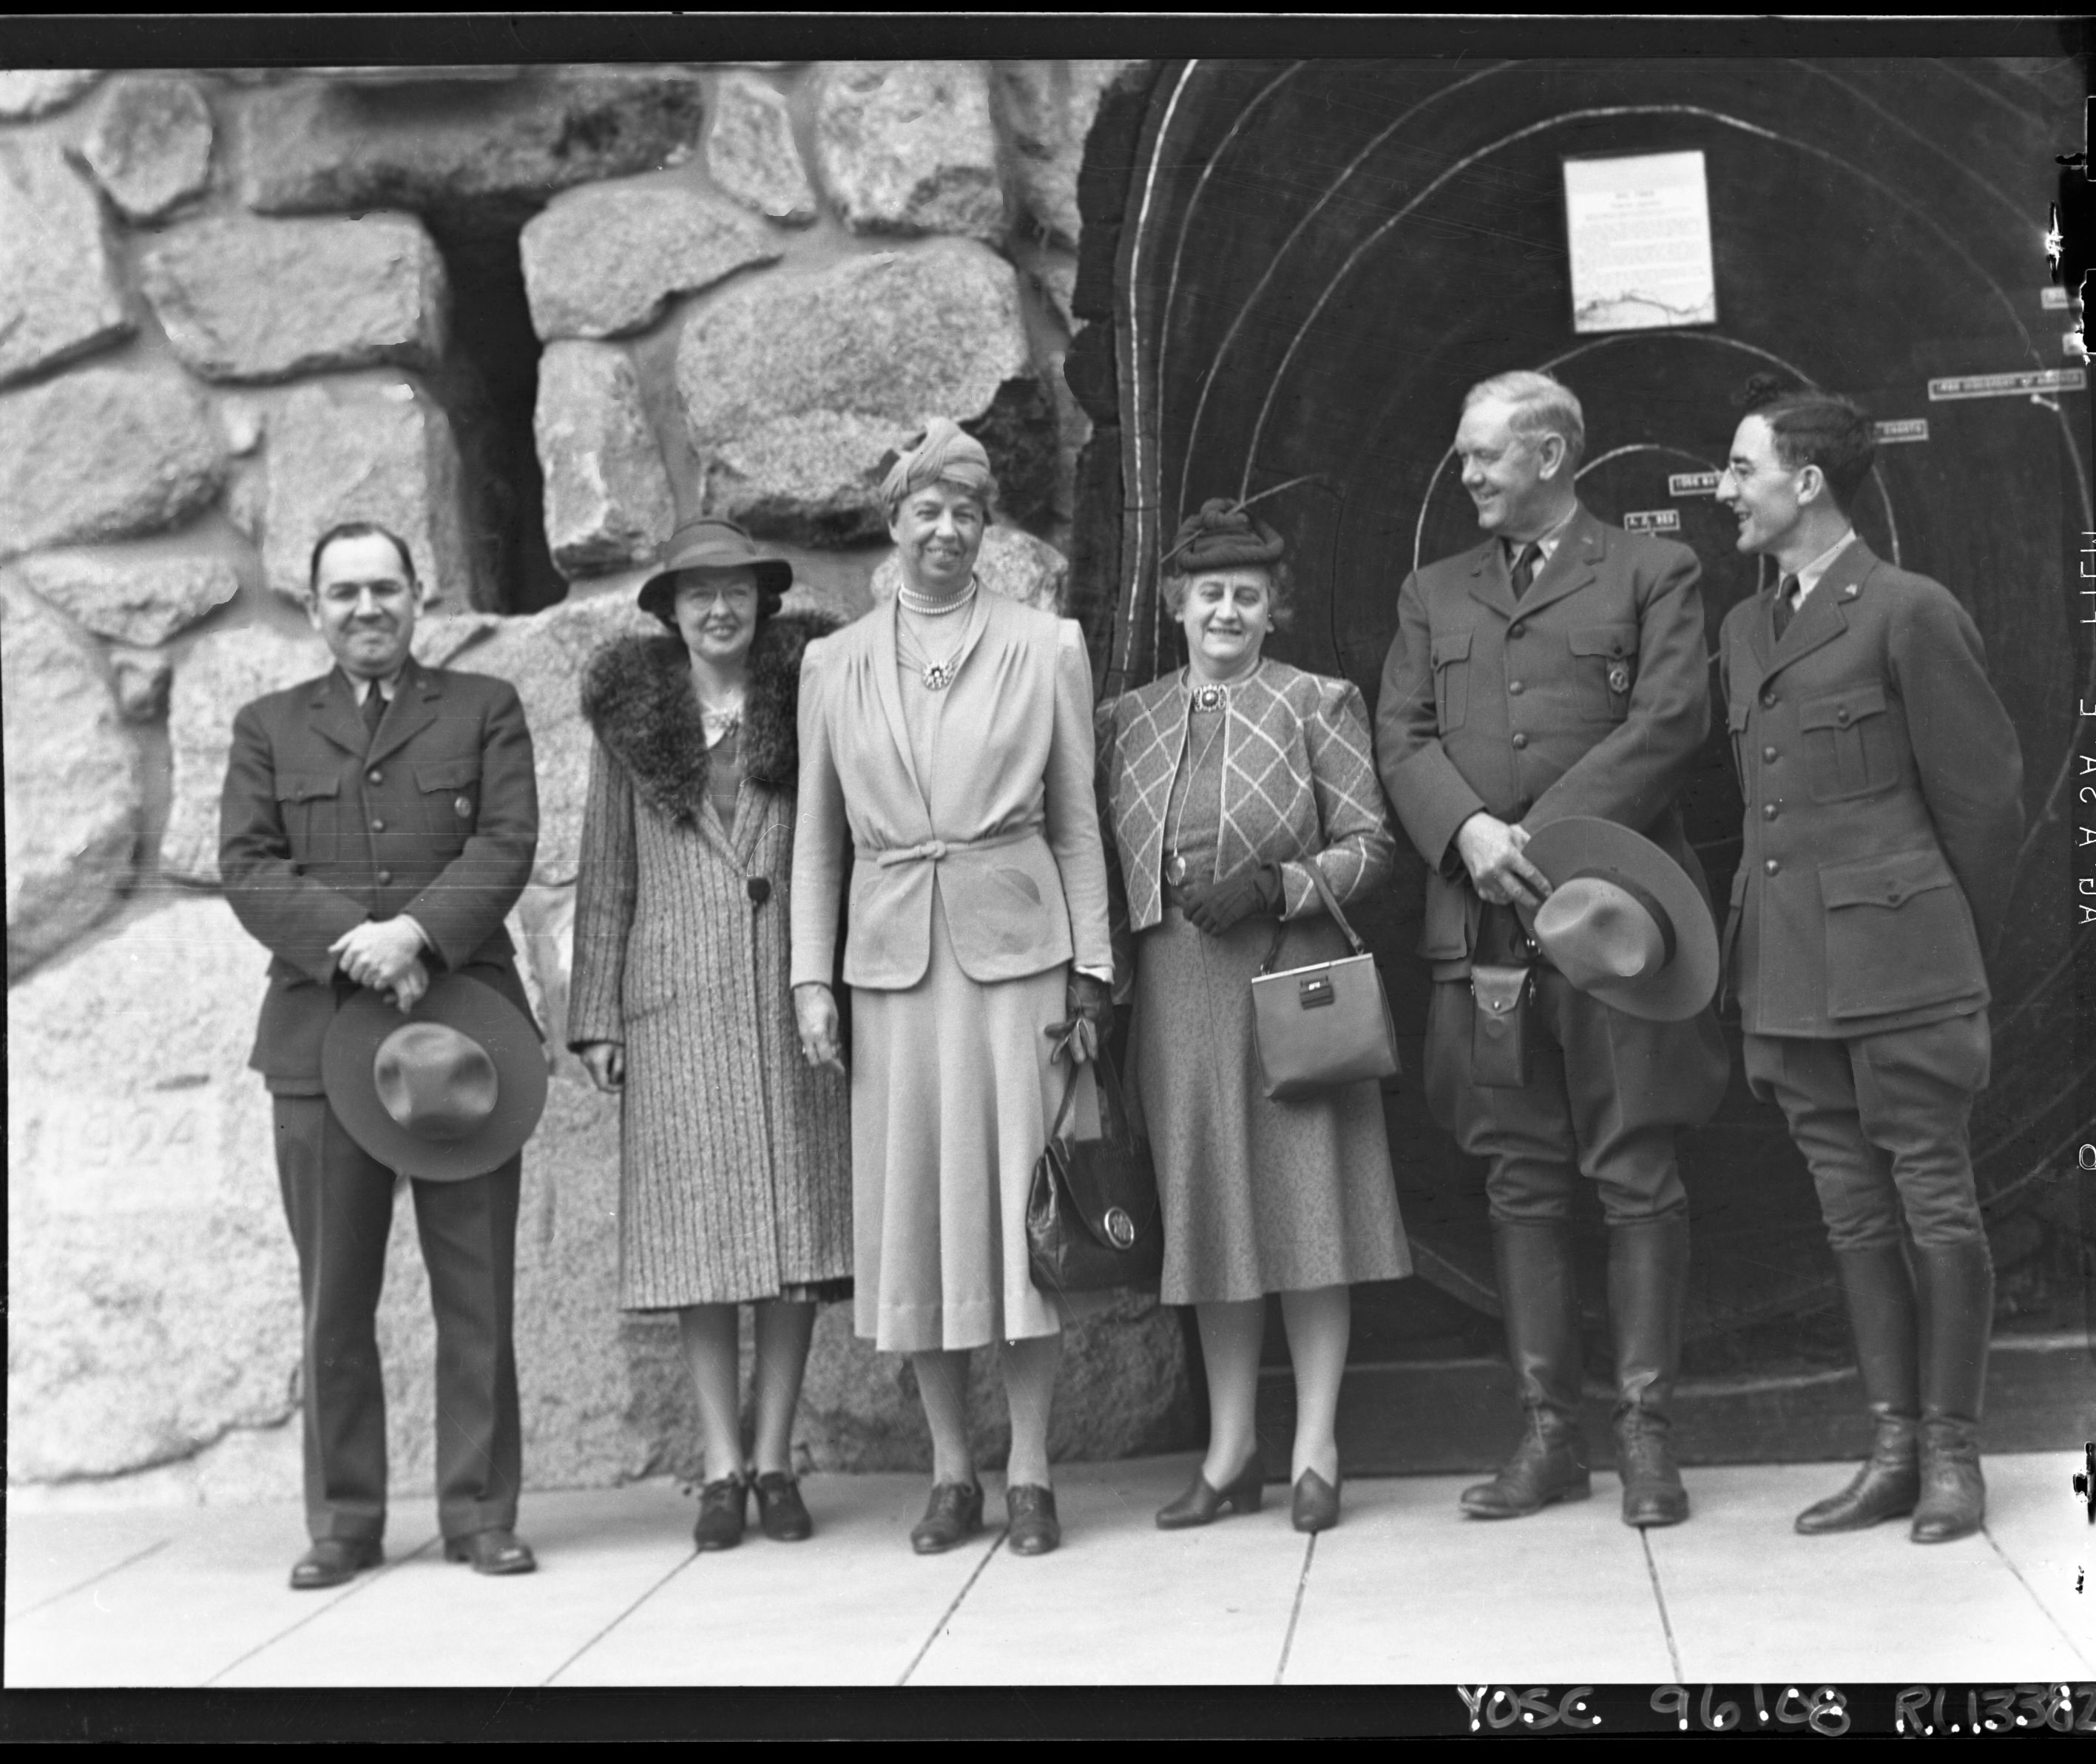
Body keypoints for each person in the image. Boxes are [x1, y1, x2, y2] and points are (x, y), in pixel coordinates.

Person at [1376, 370, 1730, 1529]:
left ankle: (1645, 1438)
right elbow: (1402, 733)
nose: (1466, 473)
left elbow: (1670, 719)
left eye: (1484, 454)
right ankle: (1546, 1435)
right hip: (1478, 929)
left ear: (1546, 455)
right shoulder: (1433, 592)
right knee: (1518, 1173)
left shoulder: (1650, 569)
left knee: (1636, 1168)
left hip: (1616, 922)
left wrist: (1544, 834)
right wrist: (1468, 831)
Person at [788, 419, 1115, 1559]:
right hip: (889, 970)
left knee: (1022, 1220)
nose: (944, 529)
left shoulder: (1045, 645)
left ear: (987, 529)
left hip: (1017, 961)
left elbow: (1077, 821)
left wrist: (1092, 967)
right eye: (926, 509)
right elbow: (818, 845)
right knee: (920, 1217)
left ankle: (1029, 1470)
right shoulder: (832, 665)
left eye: (965, 511)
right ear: (894, 523)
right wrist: (810, 981)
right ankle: (949, 1469)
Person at [1714, 381, 2024, 1543]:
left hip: (1904, 967)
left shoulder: (1908, 609)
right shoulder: (1746, 627)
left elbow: (1983, 804)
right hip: (1787, 976)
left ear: (1807, 481)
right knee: (1849, 1215)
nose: (1723, 490)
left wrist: (1940, 942)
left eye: (1741, 468)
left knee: (1933, 1199)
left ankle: (1952, 1451)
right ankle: (1889, 1445)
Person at [220, 520, 541, 1586]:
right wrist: (353, 947)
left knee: (476, 1291)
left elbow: (505, 842)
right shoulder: (268, 726)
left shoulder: (485, 709)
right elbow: (249, 865)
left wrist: (414, 935)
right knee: (336, 1294)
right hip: (319, 1043)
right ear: (315, 610)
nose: (367, 608)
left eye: (386, 589)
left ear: (420, 597)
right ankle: (345, 1521)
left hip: (467, 1036)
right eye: (344, 592)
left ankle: (481, 1510)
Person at [1095, 498, 1410, 1535]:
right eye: (1208, 594)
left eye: (1247, 595)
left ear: (1272, 610)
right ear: (1176, 604)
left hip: (1290, 977)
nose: (1225, 610)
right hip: (1177, 993)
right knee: (1211, 1218)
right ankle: (1230, 1450)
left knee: (1309, 1210)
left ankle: (1316, 1445)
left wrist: (1275, 883)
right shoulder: (1123, 720)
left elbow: (1371, 844)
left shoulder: (1316, 701)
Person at [568, 518, 852, 1552]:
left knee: (794, 1237)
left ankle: (776, 1458)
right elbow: (607, 872)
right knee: (699, 1243)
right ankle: (721, 1464)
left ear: (761, 603)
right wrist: (596, 1013)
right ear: (671, 612)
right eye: (699, 595)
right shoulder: (631, 724)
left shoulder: (805, 703)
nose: (720, 608)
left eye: (737, 591)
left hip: (788, 998)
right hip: (677, 1004)